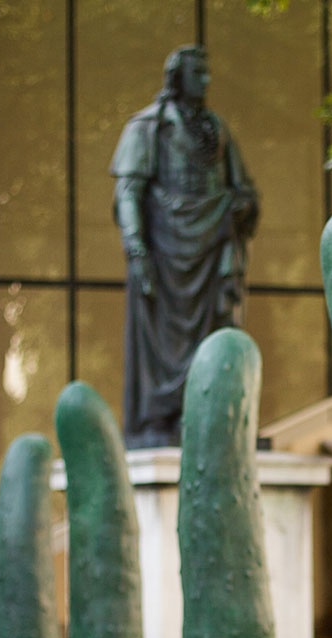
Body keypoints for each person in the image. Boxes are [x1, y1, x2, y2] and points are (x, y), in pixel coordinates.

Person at [110, 45, 259, 449]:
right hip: (164, 254)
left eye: (208, 73)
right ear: (178, 77)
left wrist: (241, 205)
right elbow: (129, 192)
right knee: (163, 341)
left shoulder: (218, 129)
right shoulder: (148, 127)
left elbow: (242, 187)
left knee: (219, 322)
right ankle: (165, 418)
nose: (206, 81)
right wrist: (137, 250)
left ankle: (214, 411)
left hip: (212, 251)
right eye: (198, 73)